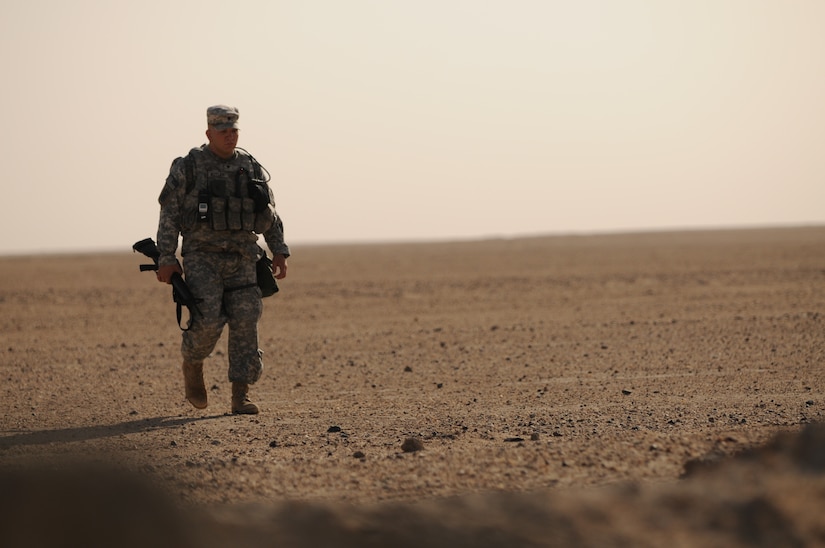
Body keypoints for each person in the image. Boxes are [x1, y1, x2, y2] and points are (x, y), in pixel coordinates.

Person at [154, 105, 289, 414]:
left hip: (243, 256)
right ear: (208, 133)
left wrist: (279, 249)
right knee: (208, 320)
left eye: (234, 130)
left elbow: (268, 214)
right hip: (203, 257)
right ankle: (193, 363)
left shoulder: (250, 168)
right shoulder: (189, 167)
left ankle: (240, 396)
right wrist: (166, 256)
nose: (230, 135)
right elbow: (170, 214)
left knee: (245, 321)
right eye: (223, 131)